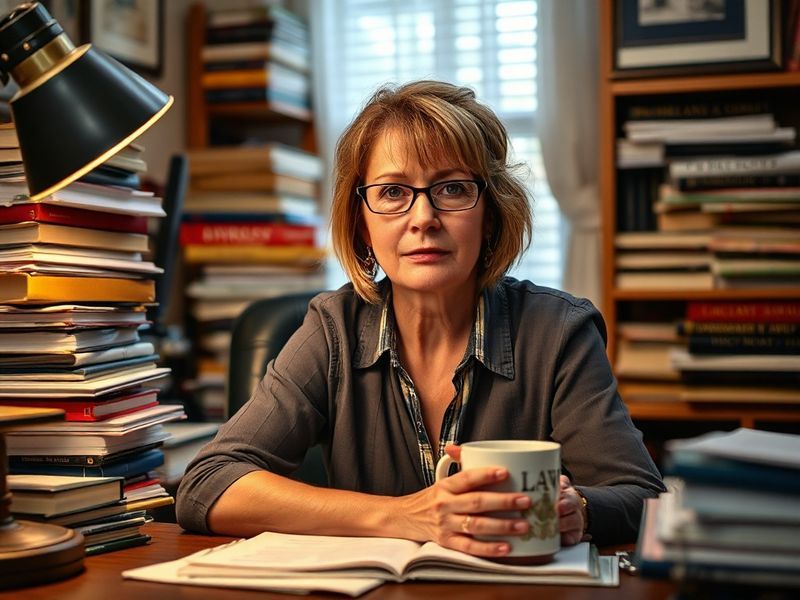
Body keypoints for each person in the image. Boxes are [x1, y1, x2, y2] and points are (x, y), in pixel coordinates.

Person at [176, 80, 665, 556]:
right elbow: (207, 484)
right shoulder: (333, 329)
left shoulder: (558, 331)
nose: (423, 217)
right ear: (362, 225)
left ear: (490, 215)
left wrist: (578, 507)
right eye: (392, 193)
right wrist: (406, 515)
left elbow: (641, 494)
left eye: (452, 189)